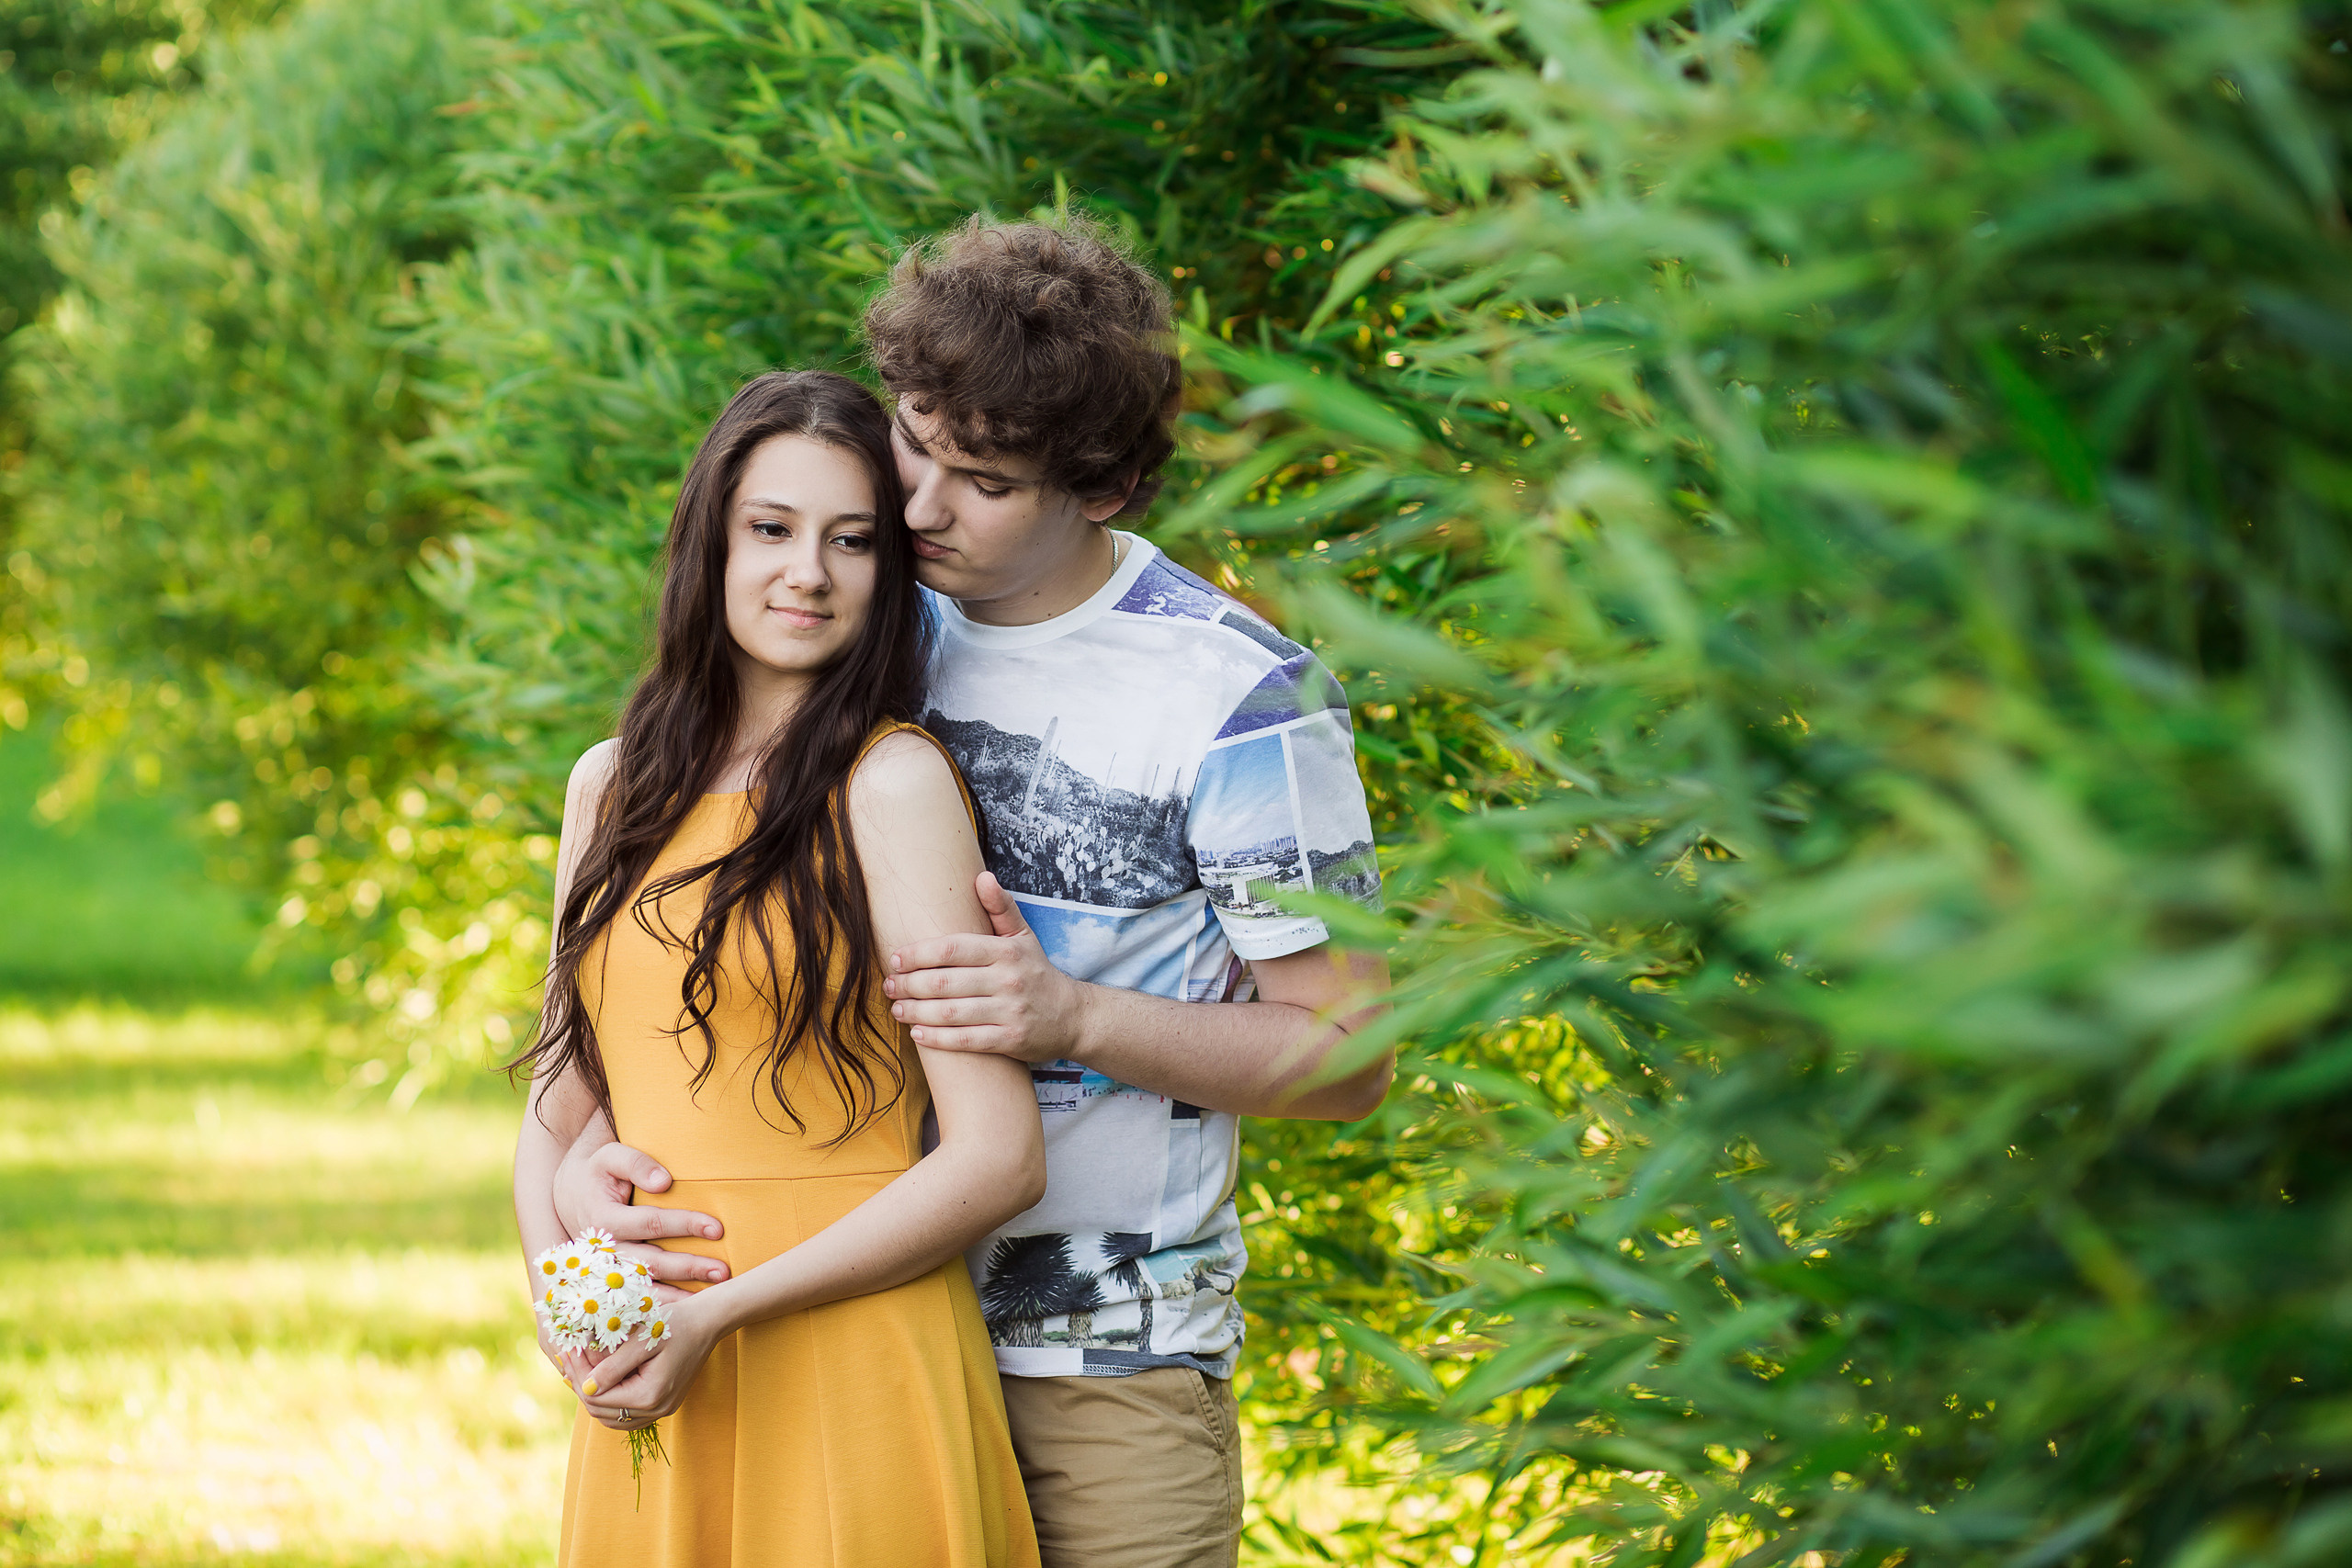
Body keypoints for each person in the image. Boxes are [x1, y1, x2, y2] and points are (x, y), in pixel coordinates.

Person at [550, 218, 1393, 1568]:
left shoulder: (1241, 699)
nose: (921, 506)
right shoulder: (861, 611)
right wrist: (587, 1147)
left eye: (982, 480)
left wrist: (1071, 1016)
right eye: (914, 445)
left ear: (1103, 486)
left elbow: (1352, 1059)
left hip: (1100, 1355)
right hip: (823, 1328)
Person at [509, 368, 1046, 1567]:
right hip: (658, 1360)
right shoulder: (612, 786)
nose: (808, 571)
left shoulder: (891, 785)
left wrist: (718, 1314)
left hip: (853, 1361)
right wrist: (570, 1305)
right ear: (710, 540)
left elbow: (999, 1155)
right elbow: (554, 1123)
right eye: (772, 530)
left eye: (852, 540)